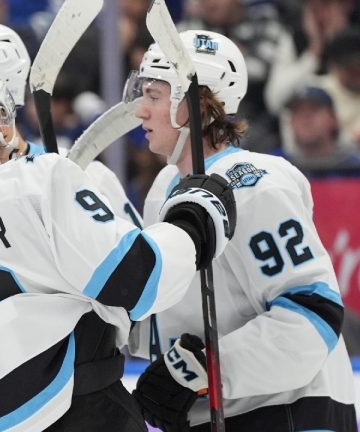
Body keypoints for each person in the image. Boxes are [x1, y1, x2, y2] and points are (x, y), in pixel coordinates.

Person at [0, 53, 235, 432]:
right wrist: (191, 222)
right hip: (85, 411)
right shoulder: (38, 182)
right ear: (0, 118)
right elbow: (138, 279)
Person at [126, 30, 356, 431]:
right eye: (141, 93)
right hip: (221, 415)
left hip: (291, 415)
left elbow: (311, 314)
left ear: (195, 105)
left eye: (154, 96)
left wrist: (203, 370)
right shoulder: (165, 189)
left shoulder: (255, 182)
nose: (140, 111)